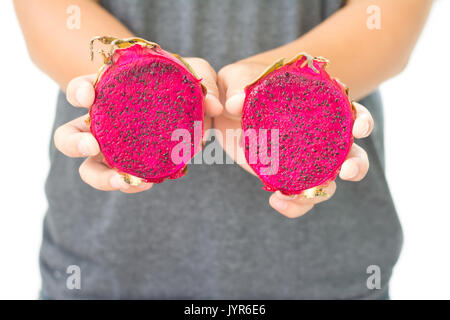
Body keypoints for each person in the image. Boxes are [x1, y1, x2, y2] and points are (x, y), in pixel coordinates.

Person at [14, 0, 432, 299]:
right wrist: (147, 81)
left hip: (325, 269)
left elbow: (389, 13)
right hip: (104, 266)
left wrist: (276, 84)